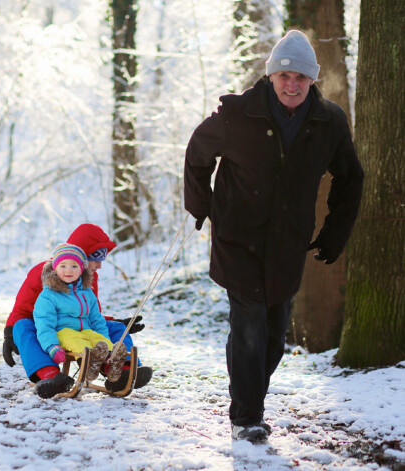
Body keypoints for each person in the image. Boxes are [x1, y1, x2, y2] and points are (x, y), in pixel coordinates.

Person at [183, 30, 363, 443]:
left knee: (273, 334)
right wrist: (201, 205)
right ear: (271, 76)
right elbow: (197, 152)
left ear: (313, 80)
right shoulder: (237, 113)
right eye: (284, 75)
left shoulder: (328, 121)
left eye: (301, 76)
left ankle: (246, 396)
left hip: (287, 243)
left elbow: (351, 178)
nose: (292, 84)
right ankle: (247, 416)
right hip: (237, 240)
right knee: (247, 325)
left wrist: (334, 234)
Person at [3, 223, 153, 398]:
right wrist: (9, 333)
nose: (99, 265)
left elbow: (89, 314)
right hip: (51, 328)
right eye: (96, 258)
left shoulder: (87, 279)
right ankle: (49, 375)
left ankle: (123, 371)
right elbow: (22, 307)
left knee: (117, 329)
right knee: (22, 326)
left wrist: (116, 322)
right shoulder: (41, 273)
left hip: (81, 328)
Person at [33, 243, 128, 398]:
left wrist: (104, 338)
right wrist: (52, 346)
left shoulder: (87, 293)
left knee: (98, 339)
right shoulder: (48, 295)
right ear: (54, 269)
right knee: (76, 340)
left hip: (86, 330)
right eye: (63, 266)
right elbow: (44, 323)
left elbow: (97, 319)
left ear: (82, 269)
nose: (68, 270)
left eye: (74, 266)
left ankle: (112, 362)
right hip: (63, 332)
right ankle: (89, 361)